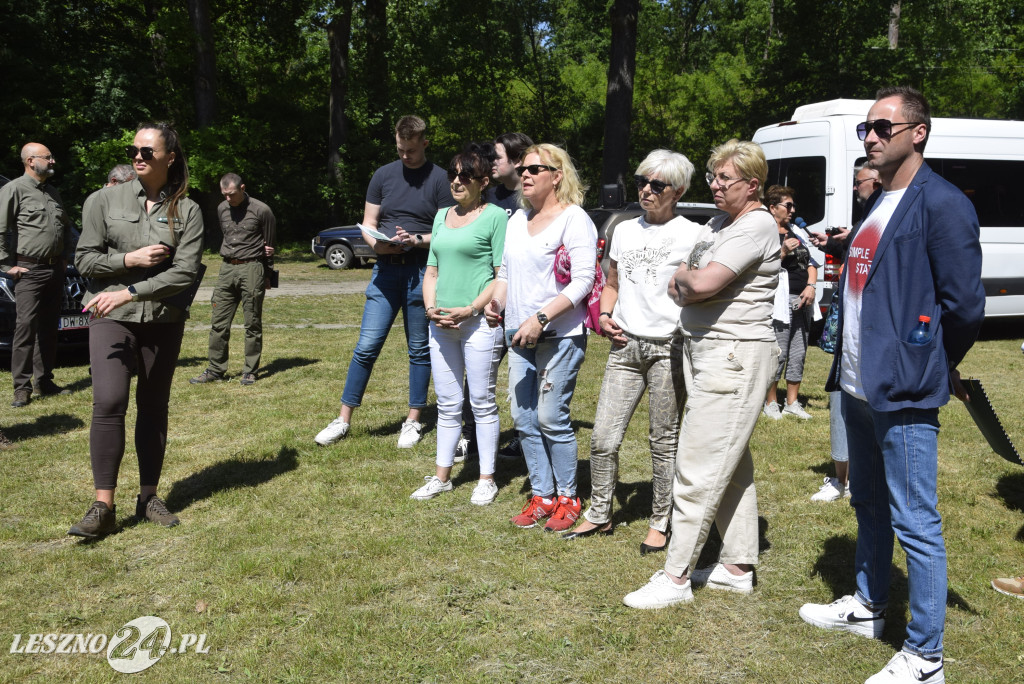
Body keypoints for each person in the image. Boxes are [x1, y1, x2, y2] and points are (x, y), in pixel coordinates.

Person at [798, 86, 985, 684]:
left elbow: (965, 305)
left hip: (902, 388)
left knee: (915, 520)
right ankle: (869, 605)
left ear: (918, 132)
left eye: (882, 127)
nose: (871, 137)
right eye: (865, 129)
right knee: (868, 502)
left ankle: (926, 656)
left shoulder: (943, 202)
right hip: (856, 383)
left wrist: (930, 363)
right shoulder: (877, 202)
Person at [622, 139, 780, 608]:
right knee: (729, 465)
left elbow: (701, 280)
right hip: (705, 350)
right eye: (712, 177)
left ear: (753, 184)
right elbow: (681, 279)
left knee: (696, 467)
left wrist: (693, 281)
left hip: (733, 355)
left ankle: (674, 577)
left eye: (723, 178)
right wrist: (691, 281)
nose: (714, 185)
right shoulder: (717, 224)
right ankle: (735, 567)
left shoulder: (755, 225)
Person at [68, 122, 204, 538]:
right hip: (109, 315)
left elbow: (184, 274)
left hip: (162, 320)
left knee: (153, 404)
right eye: (134, 150)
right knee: (109, 400)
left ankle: (148, 498)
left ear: (170, 157)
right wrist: (129, 261)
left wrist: (131, 290)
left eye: (147, 150)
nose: (138, 156)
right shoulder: (102, 201)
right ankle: (102, 506)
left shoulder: (189, 210)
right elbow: (85, 261)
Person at [562, 149, 696, 554]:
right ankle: (600, 512)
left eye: (657, 185)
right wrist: (604, 314)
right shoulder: (624, 229)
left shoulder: (693, 234)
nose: (646, 190)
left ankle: (660, 521)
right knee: (603, 437)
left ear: (679, 191)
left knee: (663, 440)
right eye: (641, 181)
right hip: (625, 346)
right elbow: (613, 281)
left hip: (667, 347)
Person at [314, 116, 454, 448]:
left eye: (411, 150)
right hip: (386, 270)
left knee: (419, 349)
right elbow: (368, 222)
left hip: (423, 270)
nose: (405, 156)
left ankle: (413, 420)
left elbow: (449, 231)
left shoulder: (440, 179)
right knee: (366, 346)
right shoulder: (383, 175)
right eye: (400, 150)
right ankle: (343, 419)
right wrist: (377, 244)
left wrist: (417, 239)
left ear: (424, 143)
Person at [484, 143, 596, 532]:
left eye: (534, 168)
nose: (525, 174)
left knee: (551, 417)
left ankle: (568, 497)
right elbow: (505, 273)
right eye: (522, 168)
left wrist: (541, 317)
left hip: (559, 334)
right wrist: (497, 302)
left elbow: (584, 279)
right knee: (524, 419)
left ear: (557, 175)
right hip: (517, 333)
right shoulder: (517, 220)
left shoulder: (574, 219)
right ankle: (543, 496)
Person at [409, 148, 507, 504]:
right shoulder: (440, 216)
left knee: (481, 402)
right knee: (449, 403)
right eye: (453, 173)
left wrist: (471, 308)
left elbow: (500, 275)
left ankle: (487, 478)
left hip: (478, 323)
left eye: (465, 175)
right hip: (441, 325)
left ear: (483, 182)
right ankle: (442, 477)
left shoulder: (496, 217)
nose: (456, 180)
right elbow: (431, 270)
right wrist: (431, 308)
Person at [807, 163, 881, 502]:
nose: (855, 188)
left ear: (876, 179)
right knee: (841, 400)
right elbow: (857, 254)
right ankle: (841, 478)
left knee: (866, 408)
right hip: (846, 329)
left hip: (874, 332)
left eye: (859, 182)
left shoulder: (889, 212)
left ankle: (860, 477)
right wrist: (836, 245)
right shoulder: (870, 214)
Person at [0, 142, 75, 408]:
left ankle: (45, 381)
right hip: (28, 269)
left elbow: (64, 227)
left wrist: (65, 256)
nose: (53, 161)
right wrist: (5, 265)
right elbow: (0, 227)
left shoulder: (52, 192)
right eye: (48, 157)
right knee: (25, 328)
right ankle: (22, 387)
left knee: (48, 327)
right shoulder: (14, 189)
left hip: (55, 269)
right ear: (31, 161)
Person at [190, 173, 276, 386]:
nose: (228, 199)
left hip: (252, 267)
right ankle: (215, 369)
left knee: (252, 322)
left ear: (242, 188)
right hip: (227, 267)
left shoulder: (262, 210)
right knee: (218, 321)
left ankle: (250, 370)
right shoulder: (222, 209)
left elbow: (269, 245)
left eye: (232, 194)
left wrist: (267, 274)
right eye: (225, 195)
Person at [762, 185, 817, 420]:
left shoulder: (797, 231)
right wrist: (782, 252)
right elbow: (762, 266)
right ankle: (770, 402)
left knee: (798, 352)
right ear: (773, 208)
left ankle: (792, 402)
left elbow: (812, 262)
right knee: (779, 352)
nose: (793, 210)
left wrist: (811, 286)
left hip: (802, 299)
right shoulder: (764, 231)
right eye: (788, 205)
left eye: (793, 205)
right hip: (779, 301)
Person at [488, 132, 534, 219]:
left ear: (517, 161)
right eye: (492, 158)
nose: (492, 162)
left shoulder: (535, 198)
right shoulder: (488, 197)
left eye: (498, 157)